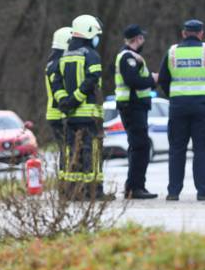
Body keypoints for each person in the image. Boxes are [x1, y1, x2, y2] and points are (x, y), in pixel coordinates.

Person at [158, 19, 205, 201]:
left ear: (183, 33)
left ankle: (173, 192)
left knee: (176, 150)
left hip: (178, 107)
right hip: (203, 108)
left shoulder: (172, 52)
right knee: (201, 150)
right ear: (201, 33)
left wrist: (174, 96)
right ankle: (203, 191)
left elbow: (163, 79)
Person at [57, 14, 113, 200]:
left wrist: (66, 101)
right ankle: (94, 192)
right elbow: (92, 80)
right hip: (89, 115)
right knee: (93, 153)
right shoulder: (91, 55)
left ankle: (74, 192)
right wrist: (76, 98)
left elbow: (56, 82)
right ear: (89, 32)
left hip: (70, 115)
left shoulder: (64, 56)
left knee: (74, 153)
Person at [114, 24, 158, 199]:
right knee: (141, 146)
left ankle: (136, 186)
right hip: (132, 107)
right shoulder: (127, 57)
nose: (144, 41)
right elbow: (133, 80)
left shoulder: (132, 57)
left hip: (134, 107)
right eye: (142, 38)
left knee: (139, 146)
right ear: (137, 39)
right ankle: (134, 188)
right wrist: (152, 79)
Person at [45, 27, 72, 150]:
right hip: (58, 114)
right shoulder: (56, 65)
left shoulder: (52, 63)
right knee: (67, 151)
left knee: (66, 150)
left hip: (56, 114)